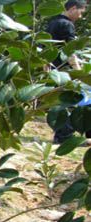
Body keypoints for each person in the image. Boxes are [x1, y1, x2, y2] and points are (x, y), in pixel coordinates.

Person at [46, 0, 87, 143]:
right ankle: (64, 137)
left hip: (53, 69)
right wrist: (80, 72)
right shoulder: (67, 25)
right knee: (70, 102)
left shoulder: (53, 21)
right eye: (81, 12)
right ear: (73, 8)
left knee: (59, 103)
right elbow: (70, 52)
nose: (81, 16)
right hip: (64, 71)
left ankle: (61, 135)